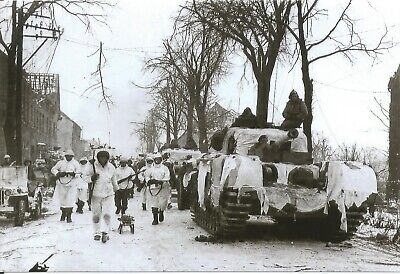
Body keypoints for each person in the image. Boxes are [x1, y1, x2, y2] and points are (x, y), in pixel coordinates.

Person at [89, 150, 119, 243]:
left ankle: (105, 232)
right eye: (101, 157)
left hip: (108, 194)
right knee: (96, 215)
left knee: (107, 214)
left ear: (107, 158)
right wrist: (91, 178)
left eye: (105, 157)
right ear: (98, 158)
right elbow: (84, 177)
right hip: (96, 194)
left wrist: (116, 189)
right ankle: (96, 232)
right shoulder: (93, 166)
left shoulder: (111, 167)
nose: (103, 159)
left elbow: (114, 180)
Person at [51, 149, 80, 223]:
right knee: (63, 200)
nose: (69, 158)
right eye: (67, 156)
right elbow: (53, 169)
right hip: (62, 184)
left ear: (72, 156)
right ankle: (63, 214)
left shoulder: (76, 163)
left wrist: (73, 174)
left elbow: (79, 173)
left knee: (70, 200)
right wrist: (59, 173)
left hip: (72, 184)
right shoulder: (60, 163)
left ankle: (69, 216)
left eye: (70, 156)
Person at [145, 154, 170, 225]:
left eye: (158, 159)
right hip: (153, 189)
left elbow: (167, 176)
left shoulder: (165, 168)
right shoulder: (151, 169)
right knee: (154, 204)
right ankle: (155, 219)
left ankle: (161, 211)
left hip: (163, 189)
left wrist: (161, 181)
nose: (157, 160)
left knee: (163, 203)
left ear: (161, 160)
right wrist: (149, 181)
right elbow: (147, 177)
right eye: (155, 159)